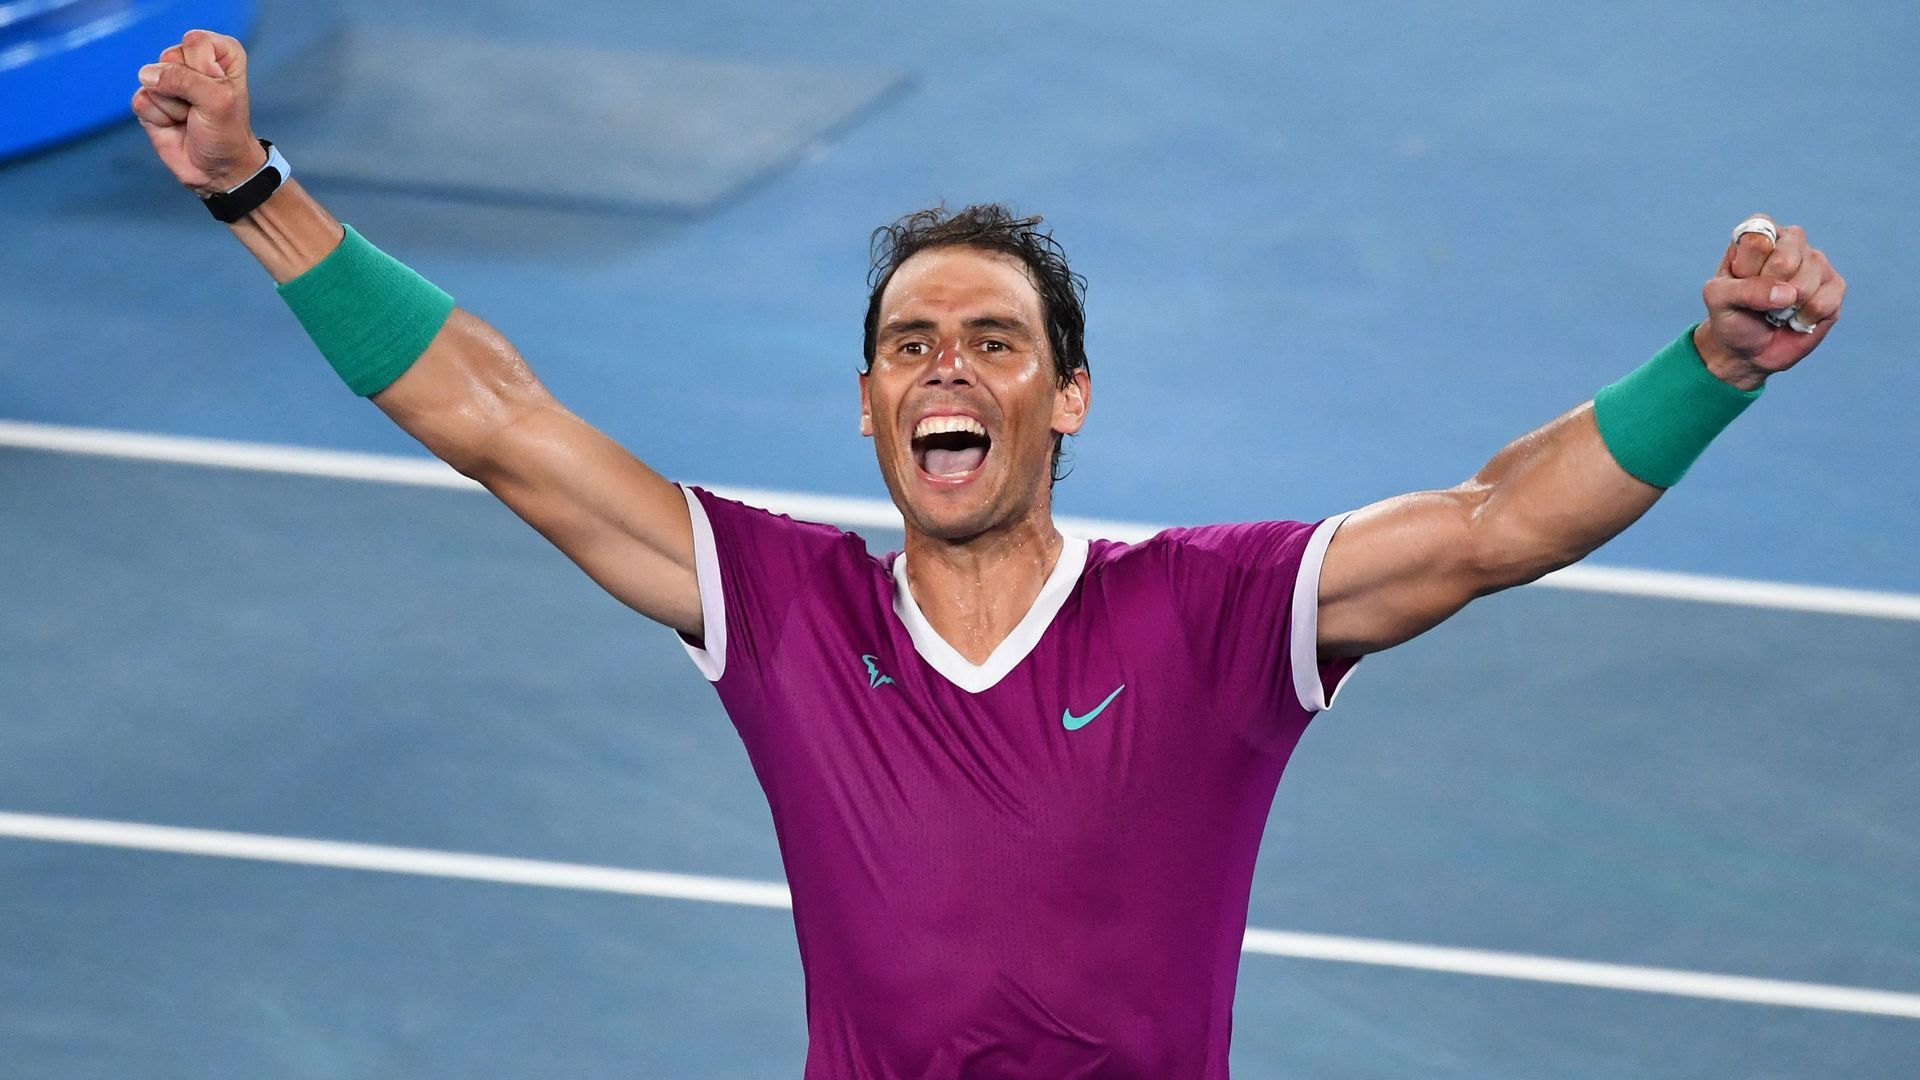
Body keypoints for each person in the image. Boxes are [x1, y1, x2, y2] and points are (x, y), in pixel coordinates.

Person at [133, 28, 1847, 1078]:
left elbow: (1493, 528)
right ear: (868, 410)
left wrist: (1711, 370)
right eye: (907, 343)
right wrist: (254, 195)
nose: (944, 362)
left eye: (994, 338)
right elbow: (495, 416)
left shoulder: (1217, 617)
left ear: (1071, 398)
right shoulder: (780, 610)